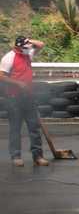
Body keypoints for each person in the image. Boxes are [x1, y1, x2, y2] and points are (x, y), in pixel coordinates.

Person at [0, 36, 48, 167]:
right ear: (17, 47)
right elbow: (1, 76)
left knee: (34, 127)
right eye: (24, 48)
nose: (27, 50)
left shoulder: (28, 53)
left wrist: (29, 41)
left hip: (29, 97)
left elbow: (41, 44)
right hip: (13, 98)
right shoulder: (8, 58)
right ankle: (16, 156)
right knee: (15, 128)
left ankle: (38, 156)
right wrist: (18, 83)